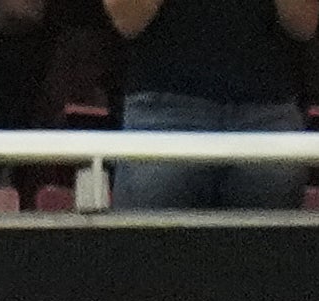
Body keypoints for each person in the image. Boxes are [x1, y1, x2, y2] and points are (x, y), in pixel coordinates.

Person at [106, 0, 316, 211]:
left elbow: (304, 24)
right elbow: (127, 21)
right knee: (144, 240)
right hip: (163, 109)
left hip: (267, 111)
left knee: (270, 241)